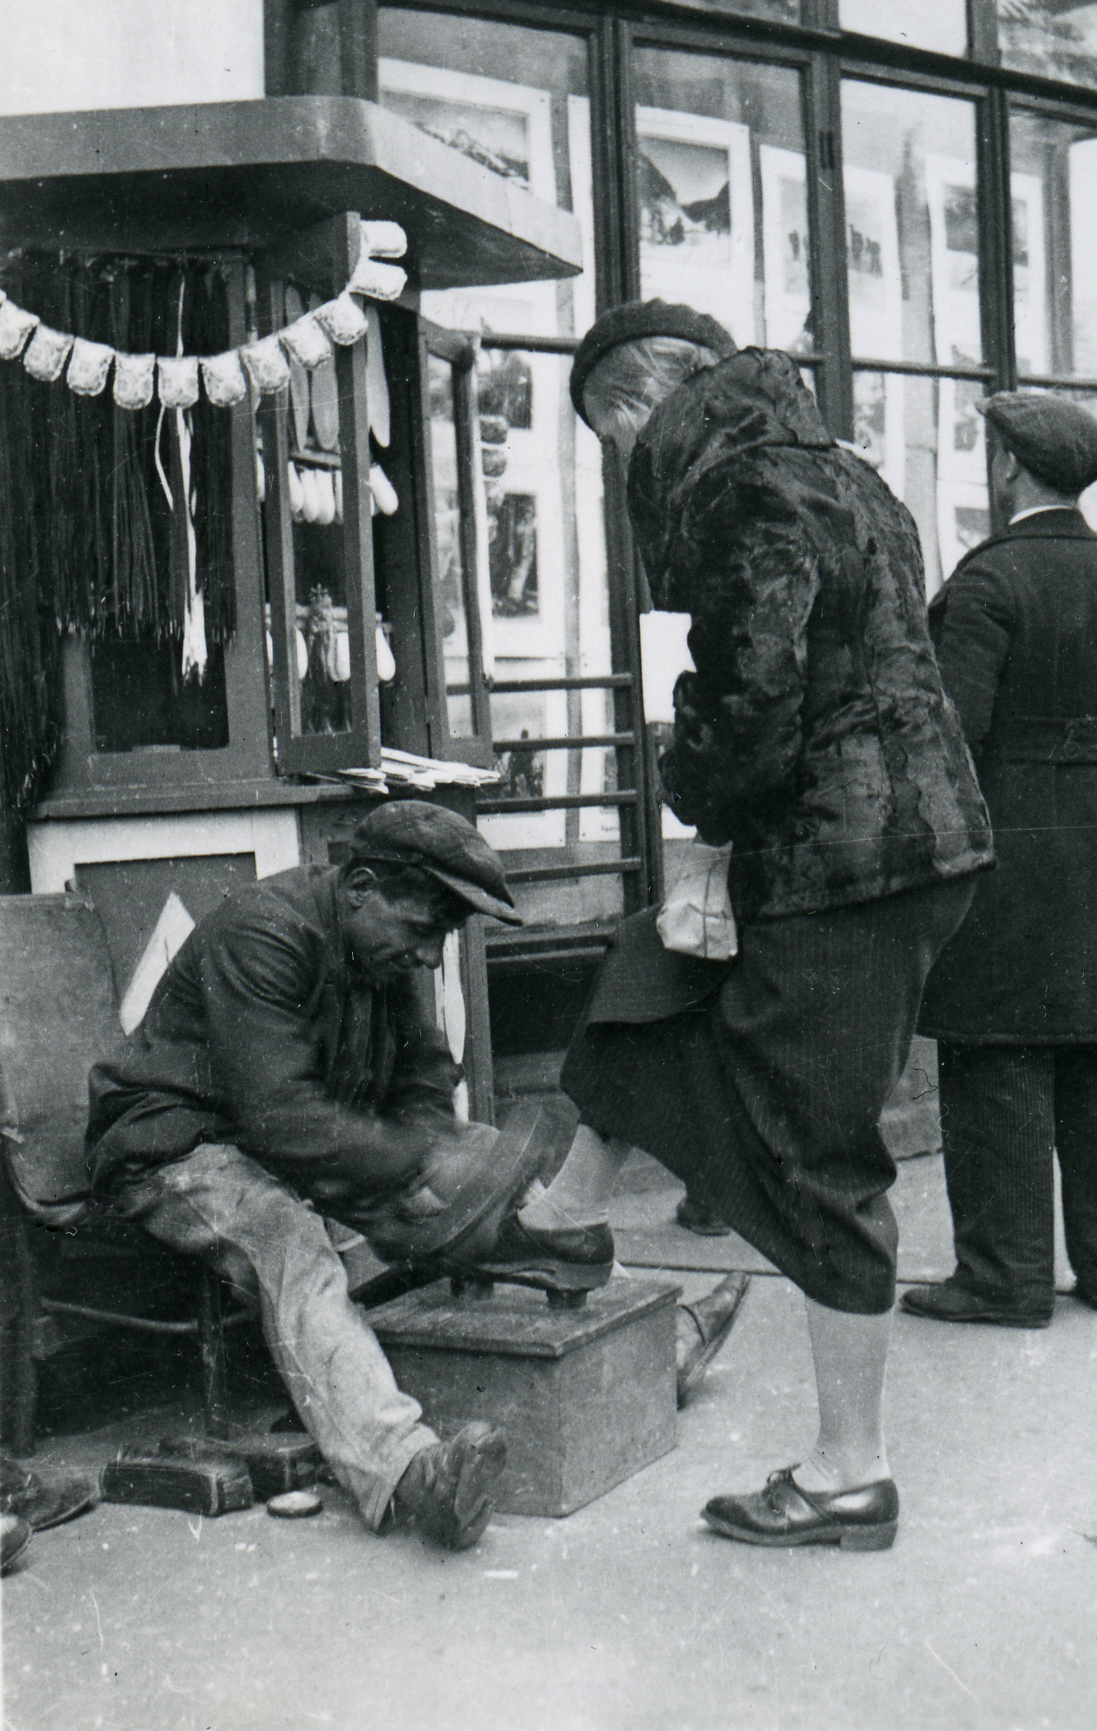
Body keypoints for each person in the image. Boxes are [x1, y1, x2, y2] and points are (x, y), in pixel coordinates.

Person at [481, 299, 993, 1551]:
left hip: (845, 863)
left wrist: (684, 769)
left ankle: (847, 1473)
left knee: (818, 1152)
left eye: (613, 444)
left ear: (633, 409)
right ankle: (564, 1208)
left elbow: (753, 703)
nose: (623, 469)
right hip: (899, 846)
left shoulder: (734, 491)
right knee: (657, 969)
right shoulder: (843, 474)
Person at [85, 801, 542, 1551]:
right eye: (424, 930)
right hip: (169, 1147)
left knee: (488, 1157)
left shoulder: (378, 946)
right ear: (360, 885)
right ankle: (410, 1471)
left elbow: (424, 1070)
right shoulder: (262, 930)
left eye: (441, 938)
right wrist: (421, 1164)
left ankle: (642, 1331)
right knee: (289, 1240)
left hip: (268, 1144)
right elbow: (281, 1116)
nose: (430, 956)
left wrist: (448, 1151)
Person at [904, 392, 1097, 1330]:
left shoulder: (988, 582)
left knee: (996, 1053)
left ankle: (1005, 1276)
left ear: (1008, 468)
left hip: (1007, 844)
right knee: (1096, 1057)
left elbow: (952, 733)